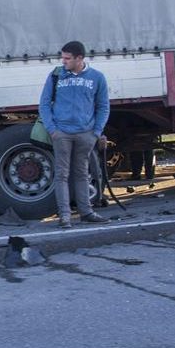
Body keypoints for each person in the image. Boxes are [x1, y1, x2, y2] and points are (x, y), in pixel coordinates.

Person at [38, 41, 111, 228]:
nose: (63, 61)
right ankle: (65, 216)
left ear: (80, 58)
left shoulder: (97, 77)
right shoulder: (56, 75)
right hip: (61, 132)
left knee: (82, 173)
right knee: (62, 174)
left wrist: (96, 132)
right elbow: (44, 103)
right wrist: (52, 129)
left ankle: (86, 212)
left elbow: (103, 106)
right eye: (62, 58)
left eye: (67, 58)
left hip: (86, 133)